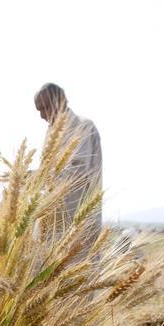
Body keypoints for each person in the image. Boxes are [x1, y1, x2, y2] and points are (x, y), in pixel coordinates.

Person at [34, 83, 103, 243]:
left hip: (76, 220)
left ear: (61, 101)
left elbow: (76, 173)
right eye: (39, 110)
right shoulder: (51, 132)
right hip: (51, 220)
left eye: (45, 108)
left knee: (77, 263)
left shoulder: (82, 126)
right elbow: (46, 173)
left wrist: (34, 178)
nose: (42, 115)